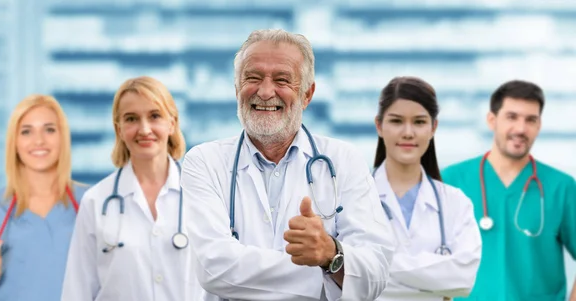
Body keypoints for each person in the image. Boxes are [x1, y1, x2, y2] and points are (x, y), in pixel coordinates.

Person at [180, 29, 395, 301]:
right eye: (253, 78)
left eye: (282, 80)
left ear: (307, 94)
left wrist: (329, 252)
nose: (266, 91)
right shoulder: (204, 161)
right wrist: (326, 271)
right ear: (237, 90)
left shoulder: (344, 160)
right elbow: (213, 269)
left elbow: (375, 273)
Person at [61, 76, 205, 300]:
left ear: (172, 123)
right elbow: (76, 292)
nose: (144, 129)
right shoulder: (96, 202)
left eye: (154, 116)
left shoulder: (203, 196)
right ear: (119, 129)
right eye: (131, 119)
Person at [442, 80, 576, 301]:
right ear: (492, 120)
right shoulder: (453, 180)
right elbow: (427, 257)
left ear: (539, 125)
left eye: (530, 120)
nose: (521, 129)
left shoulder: (561, 188)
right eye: (511, 117)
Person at [371, 76, 482, 300]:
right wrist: (435, 276)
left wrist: (376, 266)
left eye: (419, 122)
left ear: (433, 128)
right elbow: (341, 277)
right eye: (396, 121)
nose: (408, 132)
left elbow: (463, 280)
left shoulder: (455, 203)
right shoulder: (353, 199)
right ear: (379, 126)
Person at [0, 94, 87, 301]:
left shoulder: (94, 204)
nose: (39, 140)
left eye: (49, 130)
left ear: (63, 137)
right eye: (26, 131)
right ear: (14, 143)